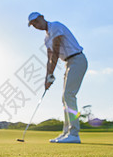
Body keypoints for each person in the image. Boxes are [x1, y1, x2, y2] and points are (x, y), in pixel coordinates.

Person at [28, 12, 88, 143]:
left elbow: (56, 51)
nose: (36, 26)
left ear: (42, 17)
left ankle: (74, 134)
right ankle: (66, 132)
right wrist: (47, 78)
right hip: (68, 63)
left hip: (77, 59)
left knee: (69, 95)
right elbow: (50, 59)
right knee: (64, 98)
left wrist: (51, 74)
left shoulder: (55, 26)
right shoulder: (46, 39)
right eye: (33, 25)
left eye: (36, 22)